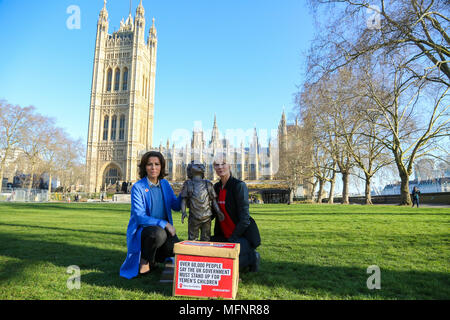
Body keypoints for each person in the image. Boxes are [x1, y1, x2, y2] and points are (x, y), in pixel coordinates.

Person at [120, 151, 182, 279]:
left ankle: (153, 260)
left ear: (161, 167)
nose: (153, 168)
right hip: (146, 231)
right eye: (149, 164)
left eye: (157, 164)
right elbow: (139, 217)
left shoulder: (165, 184)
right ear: (144, 167)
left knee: (175, 248)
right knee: (157, 234)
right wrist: (164, 223)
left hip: (163, 231)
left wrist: (184, 192)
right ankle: (144, 261)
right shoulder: (138, 187)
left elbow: (175, 206)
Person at [211, 154, 261, 272]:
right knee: (208, 254)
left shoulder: (238, 186)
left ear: (230, 165)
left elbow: (245, 218)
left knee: (228, 263)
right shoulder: (216, 187)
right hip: (223, 235)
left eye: (223, 164)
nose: (220, 167)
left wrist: (232, 239)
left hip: (241, 235)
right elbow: (212, 213)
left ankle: (252, 257)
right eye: (217, 165)